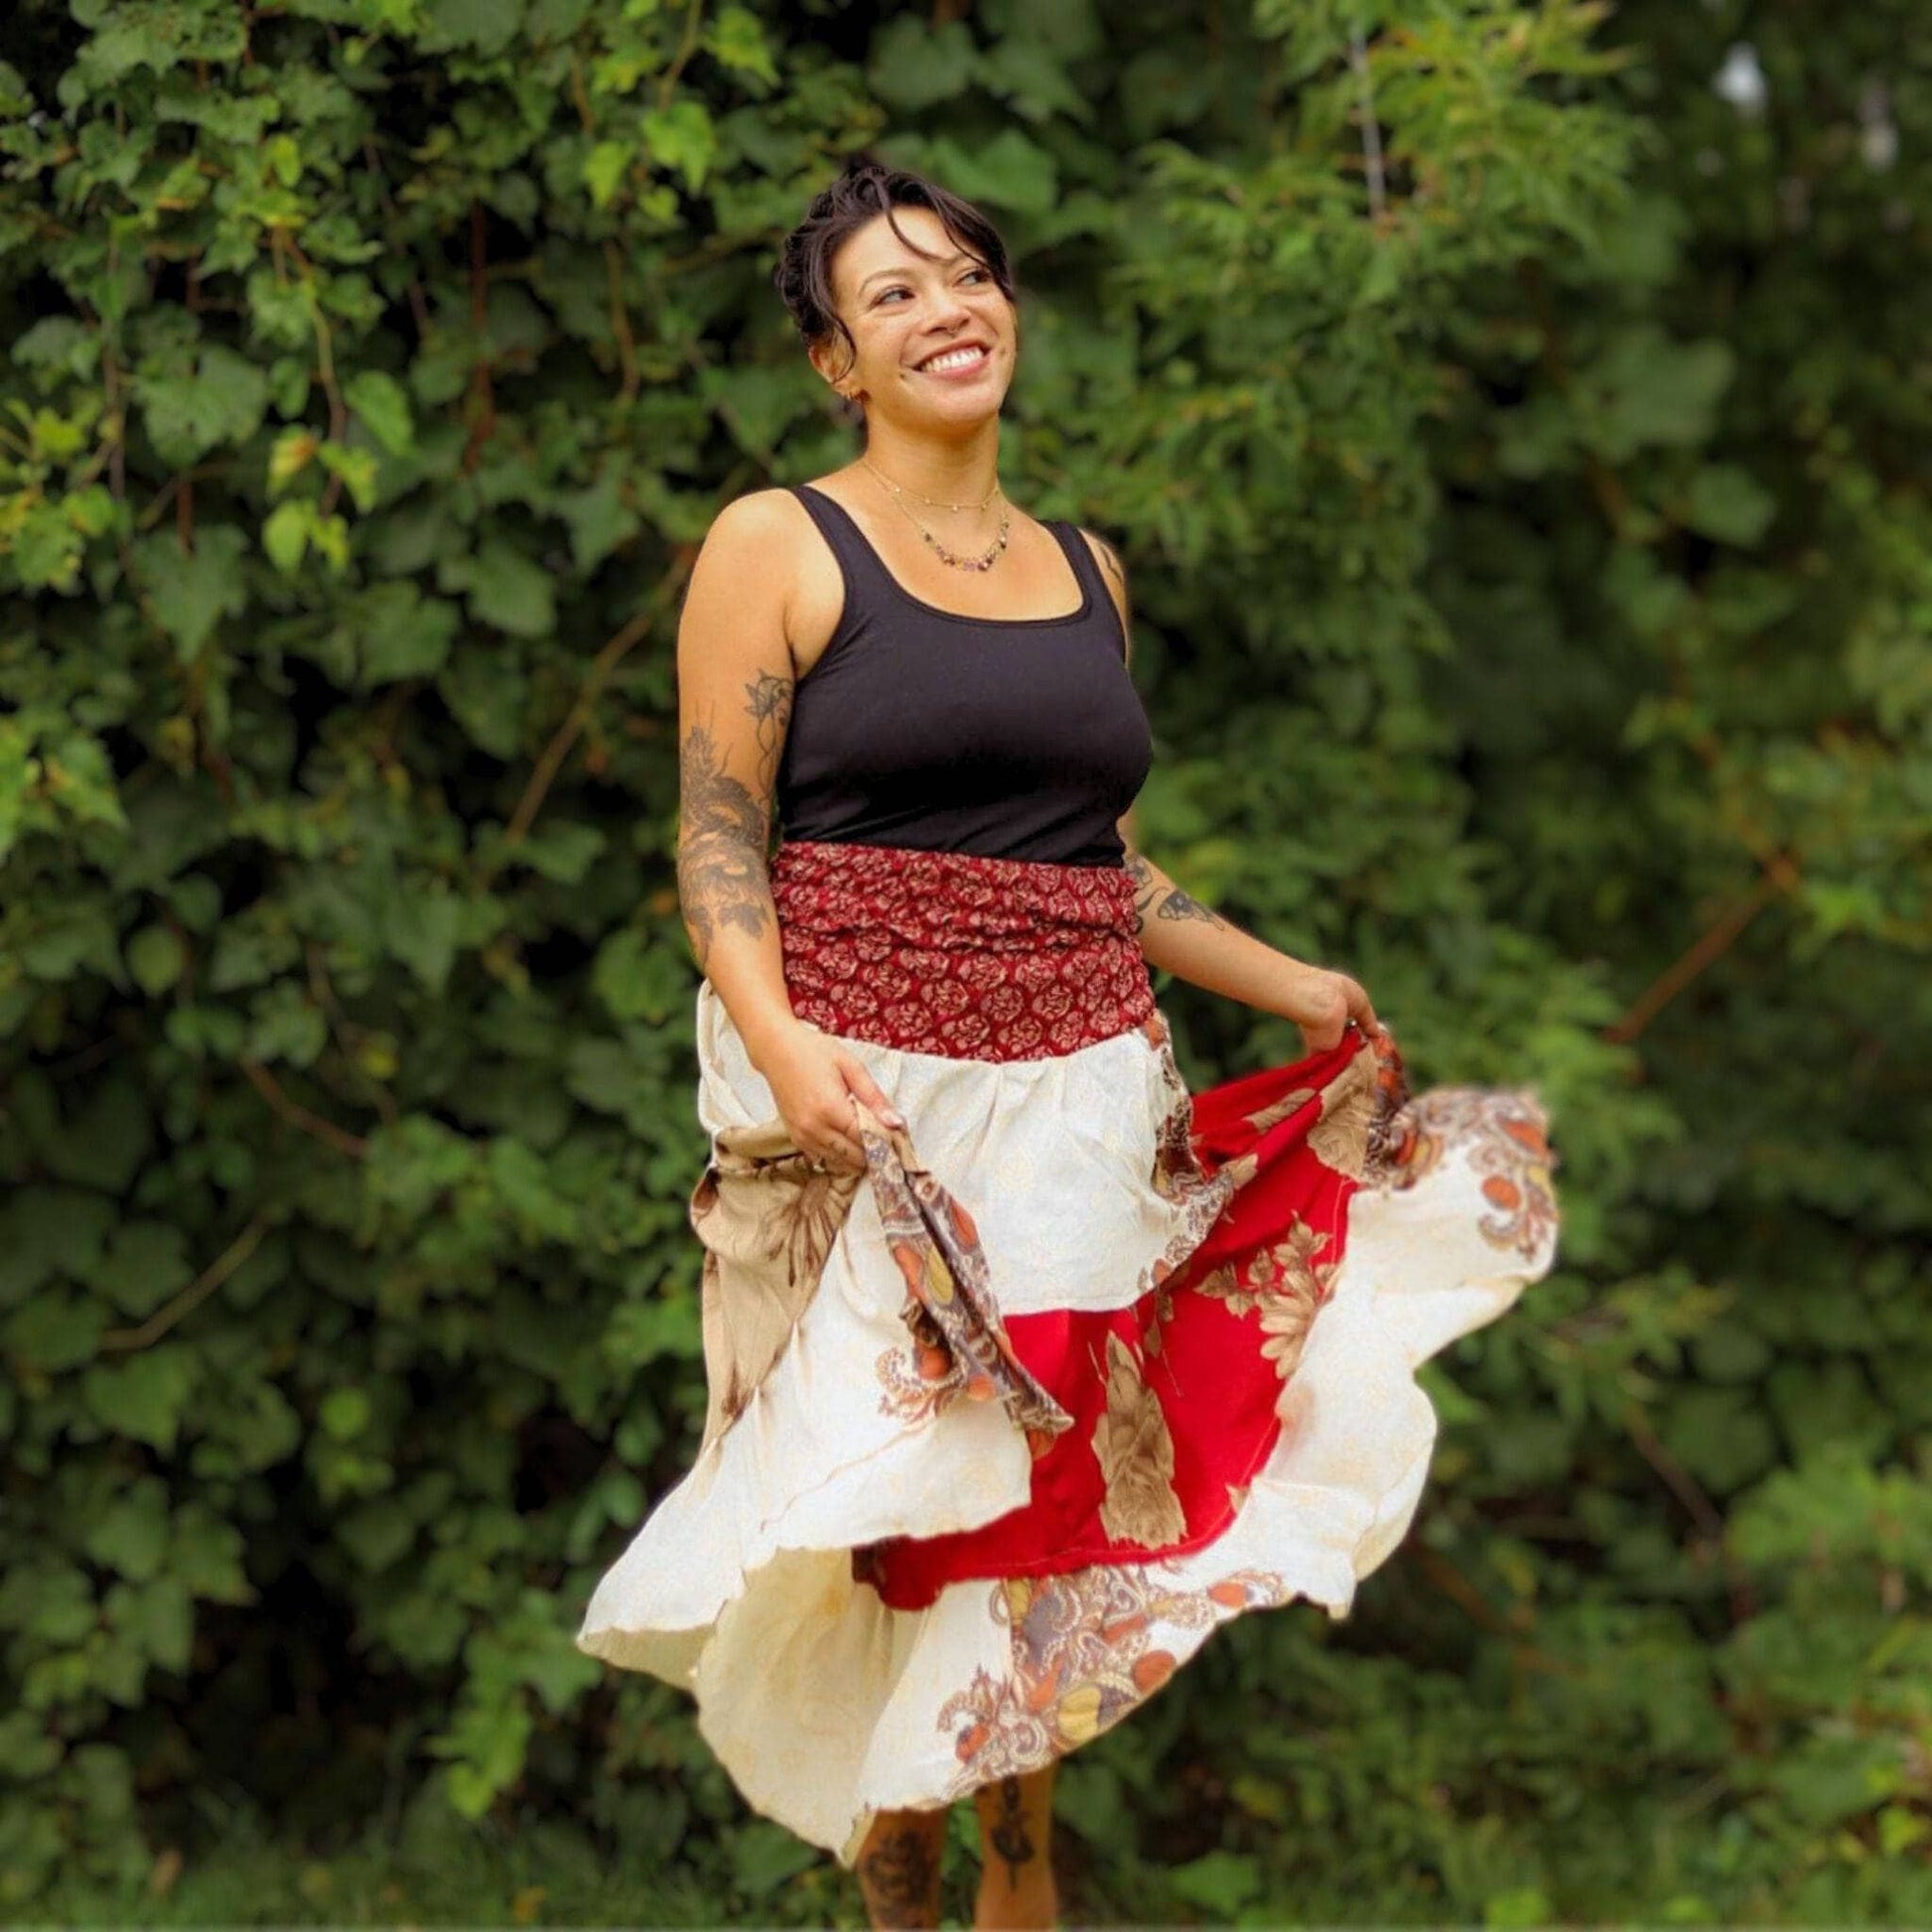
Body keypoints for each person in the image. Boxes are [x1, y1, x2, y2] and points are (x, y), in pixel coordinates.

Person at [575, 155, 1562, 1930]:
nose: (947, 308)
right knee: (884, 1500)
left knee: (1032, 1509)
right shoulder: (777, 543)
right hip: (864, 1097)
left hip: (1075, 1100)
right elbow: (716, 835)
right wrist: (780, 1044)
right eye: (892, 292)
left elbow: (1095, 864)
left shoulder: (1083, 572)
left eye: (967, 273)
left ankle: (1017, 1858)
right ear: (835, 362)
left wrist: (1280, 976)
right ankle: (898, 1870)